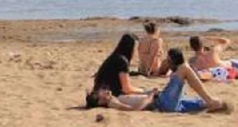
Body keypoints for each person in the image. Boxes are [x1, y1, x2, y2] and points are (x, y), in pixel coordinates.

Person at [87, 49, 230, 114]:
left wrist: (147, 91)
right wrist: (150, 96)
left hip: (167, 103)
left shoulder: (115, 97)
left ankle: (213, 103)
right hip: (163, 103)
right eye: (101, 93)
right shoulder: (113, 102)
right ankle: (208, 98)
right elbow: (135, 110)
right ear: (101, 102)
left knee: (212, 104)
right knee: (184, 68)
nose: (104, 91)